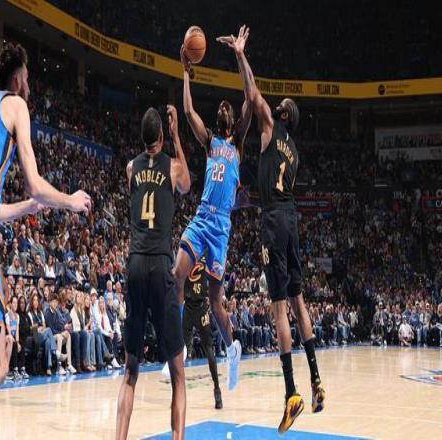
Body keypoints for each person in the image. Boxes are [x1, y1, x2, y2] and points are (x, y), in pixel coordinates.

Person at [0, 42, 91, 436]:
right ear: (18, 78)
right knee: (0, 361)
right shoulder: (16, 105)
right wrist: (69, 201)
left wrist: (28, 207)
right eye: (29, 77)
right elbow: (35, 184)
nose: (30, 85)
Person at [217, 26, 325, 432]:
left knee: (279, 307)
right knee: (300, 304)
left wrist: (240, 54)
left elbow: (251, 92)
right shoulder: (293, 151)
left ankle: (291, 393)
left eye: (278, 106)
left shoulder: (270, 128)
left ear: (281, 116)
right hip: (292, 219)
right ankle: (317, 381)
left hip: (274, 221)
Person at [169, 25, 253, 391]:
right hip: (202, 218)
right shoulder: (209, 141)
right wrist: (186, 73)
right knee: (177, 275)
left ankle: (233, 349)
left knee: (216, 302)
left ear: (233, 120)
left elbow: (250, 96)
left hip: (221, 228)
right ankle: (177, 349)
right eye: (220, 106)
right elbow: (188, 111)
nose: (223, 107)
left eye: (226, 107)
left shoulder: (238, 143)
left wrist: (240, 55)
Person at [116, 105, 190, 440]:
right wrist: (177, 136)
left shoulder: (131, 168)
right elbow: (186, 185)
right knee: (178, 373)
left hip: (135, 265)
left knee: (130, 371)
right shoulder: (172, 166)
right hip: (160, 264)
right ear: (161, 135)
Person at [182, 258, 222, 409]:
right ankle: (217, 392)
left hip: (189, 307)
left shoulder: (186, 253)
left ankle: (177, 394)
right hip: (201, 307)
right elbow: (216, 277)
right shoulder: (209, 256)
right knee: (208, 349)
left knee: (181, 350)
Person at [28, 292, 55, 376]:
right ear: (32, 302)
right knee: (49, 330)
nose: (36, 302)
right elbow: (31, 327)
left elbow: (44, 325)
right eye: (34, 300)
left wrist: (40, 328)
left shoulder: (41, 313)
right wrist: (37, 328)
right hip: (35, 337)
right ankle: (55, 351)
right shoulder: (29, 313)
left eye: (37, 300)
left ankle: (48, 368)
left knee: (48, 342)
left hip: (42, 335)